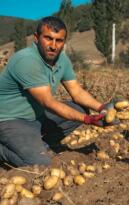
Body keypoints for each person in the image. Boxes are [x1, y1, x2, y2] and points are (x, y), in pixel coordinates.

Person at [0, 16, 116, 167]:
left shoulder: (61, 59)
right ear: (36, 38)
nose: (53, 46)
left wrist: (101, 107)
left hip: (38, 116)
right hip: (11, 121)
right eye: (48, 38)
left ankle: (41, 144)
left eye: (59, 40)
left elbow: (76, 92)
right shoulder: (27, 61)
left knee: (80, 108)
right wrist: (88, 120)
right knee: (39, 164)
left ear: (64, 42)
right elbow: (48, 102)